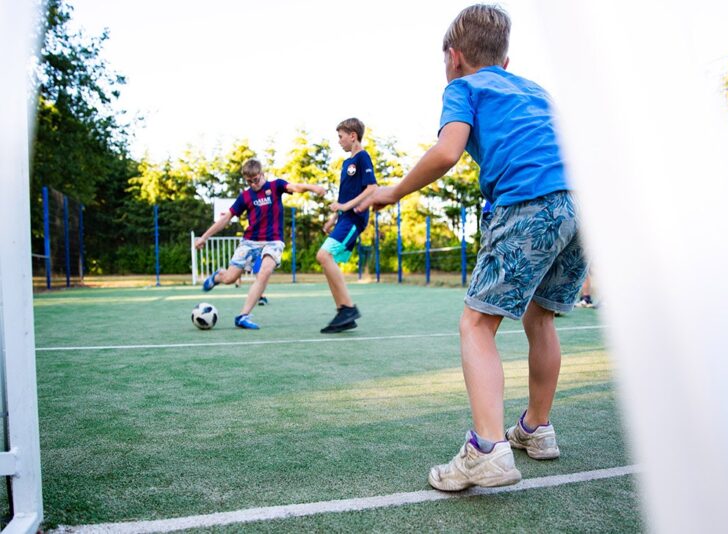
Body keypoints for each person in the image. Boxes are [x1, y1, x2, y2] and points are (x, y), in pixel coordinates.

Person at [357, 4, 587, 491]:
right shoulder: (535, 90)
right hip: (581, 206)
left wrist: (393, 191)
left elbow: (447, 151)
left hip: (530, 203)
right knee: (540, 316)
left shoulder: (462, 87)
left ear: (453, 56)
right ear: (506, 60)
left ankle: (486, 450)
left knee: (477, 324)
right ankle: (535, 429)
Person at [195, 158, 325, 329]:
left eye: (255, 179)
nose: (253, 184)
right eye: (249, 181)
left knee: (264, 272)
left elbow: (294, 187)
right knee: (230, 278)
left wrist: (312, 188)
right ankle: (219, 275)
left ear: (262, 174)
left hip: (273, 241)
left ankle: (243, 316)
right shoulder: (245, 196)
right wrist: (204, 237)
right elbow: (226, 218)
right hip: (250, 242)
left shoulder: (275, 186)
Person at [316, 118, 378, 333]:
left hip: (354, 219)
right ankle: (344, 311)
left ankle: (348, 308)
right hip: (344, 219)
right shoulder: (346, 164)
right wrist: (333, 218)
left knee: (323, 256)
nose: (339, 141)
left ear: (353, 135)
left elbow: (372, 188)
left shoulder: (362, 157)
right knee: (326, 259)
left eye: (341, 137)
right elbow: (345, 195)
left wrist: (345, 207)